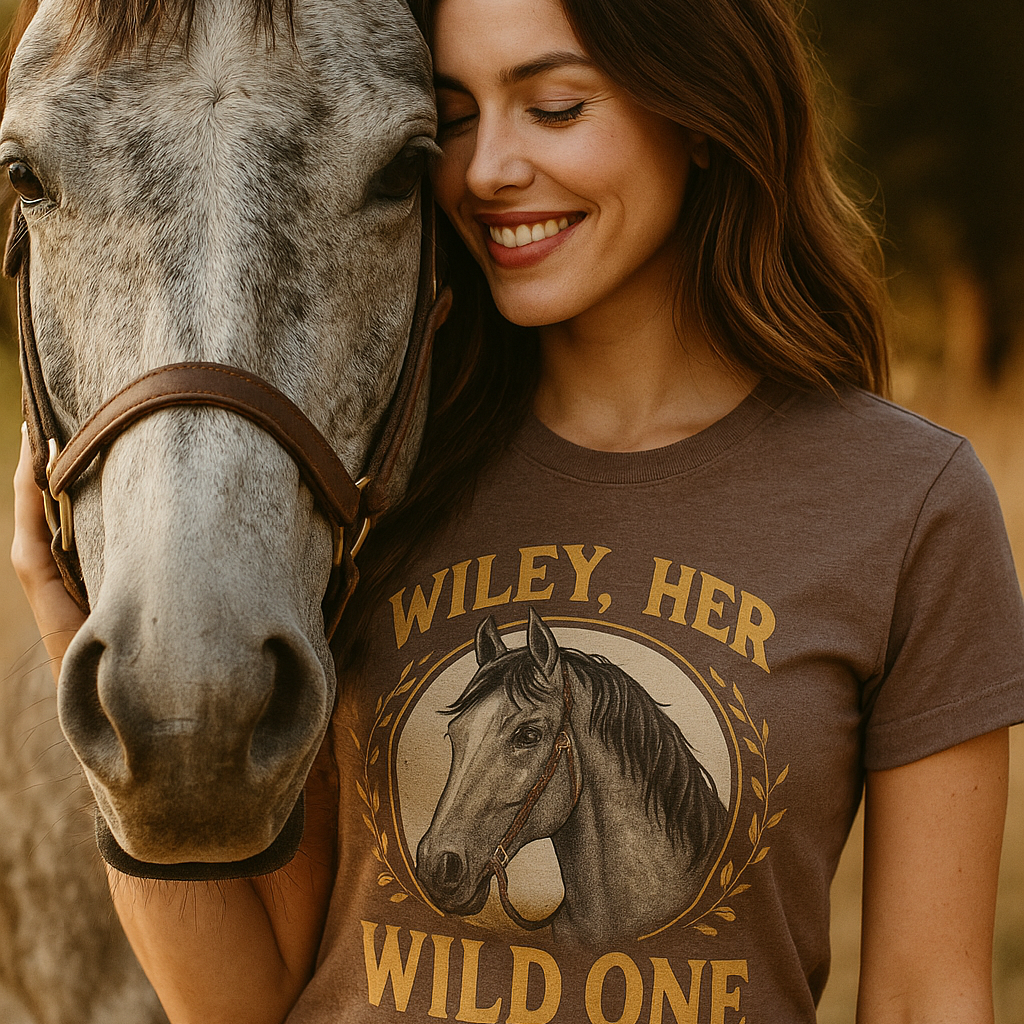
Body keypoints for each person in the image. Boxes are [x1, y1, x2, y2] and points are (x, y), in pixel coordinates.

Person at [12, 0, 1024, 1021]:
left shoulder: (907, 503)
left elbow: (922, 998)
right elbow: (239, 1001)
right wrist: (72, 636)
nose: (487, 169)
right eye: (453, 119)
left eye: (554, 107)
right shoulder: (373, 488)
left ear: (702, 115)